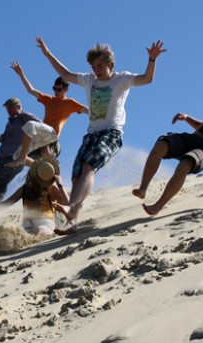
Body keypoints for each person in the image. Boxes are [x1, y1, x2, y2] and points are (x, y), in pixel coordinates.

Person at [36, 36, 166, 234]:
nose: (96, 70)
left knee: (89, 167)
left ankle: (71, 209)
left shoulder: (122, 79)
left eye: (99, 66)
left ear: (110, 65)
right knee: (76, 175)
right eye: (93, 67)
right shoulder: (89, 80)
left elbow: (147, 79)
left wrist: (152, 59)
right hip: (91, 135)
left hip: (111, 133)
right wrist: (47, 54)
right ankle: (72, 222)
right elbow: (65, 74)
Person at [132, 85, 203, 215]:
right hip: (191, 139)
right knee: (161, 145)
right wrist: (186, 118)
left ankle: (157, 206)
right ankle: (143, 188)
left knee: (185, 165)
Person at [8, 61, 88, 167]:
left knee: (30, 125)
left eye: (59, 89)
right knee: (15, 156)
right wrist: (21, 74)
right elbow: (31, 90)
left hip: (52, 134)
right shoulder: (49, 99)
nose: (56, 91)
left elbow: (88, 111)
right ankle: (42, 168)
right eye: (54, 89)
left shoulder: (70, 103)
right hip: (43, 134)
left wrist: (106, 113)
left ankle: (23, 158)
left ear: (66, 89)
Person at [0, 97, 39, 210]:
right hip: (3, 159)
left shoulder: (24, 117)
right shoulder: (10, 123)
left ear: (18, 107)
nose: (8, 110)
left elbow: (39, 127)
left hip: (16, 159)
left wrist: (33, 148)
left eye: (11, 107)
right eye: (7, 108)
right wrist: (3, 138)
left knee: (0, 181)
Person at [0, 158, 69, 237]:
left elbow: (68, 204)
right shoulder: (26, 187)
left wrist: (60, 185)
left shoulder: (51, 187)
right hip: (27, 225)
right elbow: (9, 201)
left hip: (45, 223)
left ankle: (32, 239)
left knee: (38, 231)